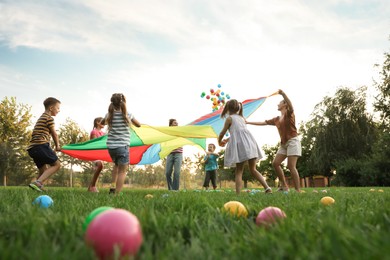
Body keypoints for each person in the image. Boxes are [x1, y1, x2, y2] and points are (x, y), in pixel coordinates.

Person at [246, 89, 302, 192]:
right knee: (275, 163)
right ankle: (284, 186)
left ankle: (298, 190)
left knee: (291, 166)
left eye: (280, 103)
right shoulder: (276, 119)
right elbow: (263, 122)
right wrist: (248, 122)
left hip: (293, 141)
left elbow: (290, 105)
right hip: (284, 144)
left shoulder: (289, 113)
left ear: (284, 105)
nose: (278, 104)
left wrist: (283, 94)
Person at [218, 99, 272, 195]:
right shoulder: (242, 118)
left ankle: (238, 194)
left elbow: (223, 132)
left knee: (239, 171)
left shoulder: (229, 119)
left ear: (227, 108)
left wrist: (219, 141)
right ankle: (267, 187)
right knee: (253, 169)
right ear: (238, 108)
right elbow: (239, 134)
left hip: (241, 147)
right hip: (250, 144)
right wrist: (228, 139)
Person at [101, 93, 141, 194]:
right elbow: (138, 125)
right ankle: (117, 194)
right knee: (122, 171)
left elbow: (102, 122)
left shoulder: (109, 115)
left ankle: (112, 187)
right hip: (122, 146)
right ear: (124, 103)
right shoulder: (127, 114)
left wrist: (107, 117)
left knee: (116, 166)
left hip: (111, 147)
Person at [27, 97, 62, 192]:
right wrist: (57, 146)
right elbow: (54, 133)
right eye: (58, 108)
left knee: (43, 170)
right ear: (51, 108)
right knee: (57, 164)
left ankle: (37, 188)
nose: (59, 110)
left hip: (33, 148)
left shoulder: (42, 117)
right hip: (40, 146)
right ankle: (38, 183)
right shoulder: (49, 118)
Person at [87, 117, 105, 192]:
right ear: (97, 122)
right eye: (102, 122)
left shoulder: (103, 133)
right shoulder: (94, 132)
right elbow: (94, 143)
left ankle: (90, 187)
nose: (104, 123)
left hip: (101, 154)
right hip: (94, 153)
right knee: (100, 165)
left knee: (98, 169)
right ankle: (93, 186)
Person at [165, 119, 183, 190]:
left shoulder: (180, 132)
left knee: (176, 173)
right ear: (171, 125)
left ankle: (175, 190)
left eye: (177, 123)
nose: (177, 124)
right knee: (167, 173)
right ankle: (171, 189)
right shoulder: (167, 133)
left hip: (178, 154)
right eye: (175, 123)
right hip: (170, 153)